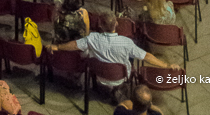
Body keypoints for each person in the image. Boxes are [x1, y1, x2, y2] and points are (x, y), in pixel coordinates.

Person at [50, 11, 178, 89]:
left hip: (99, 74)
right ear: (116, 24)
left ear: (100, 25)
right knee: (133, 52)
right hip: (121, 77)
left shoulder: (92, 38)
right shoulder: (127, 42)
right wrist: (166, 65)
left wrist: (58, 47)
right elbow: (147, 57)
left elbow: (74, 45)